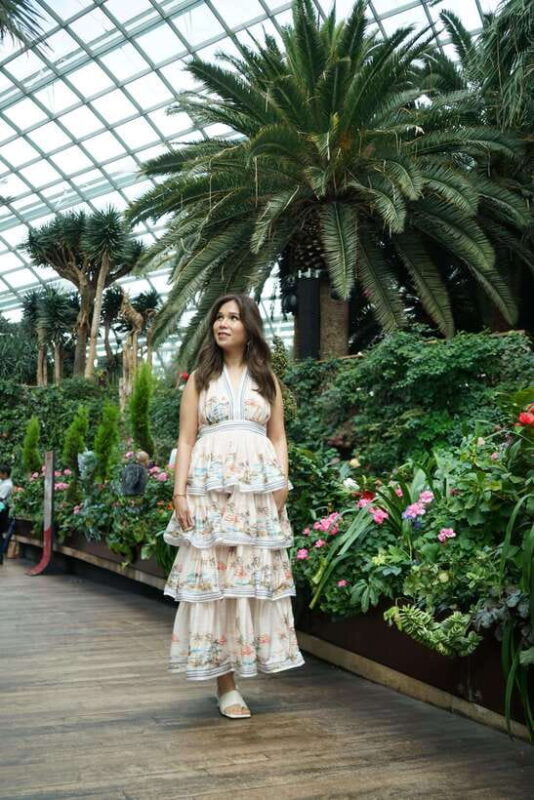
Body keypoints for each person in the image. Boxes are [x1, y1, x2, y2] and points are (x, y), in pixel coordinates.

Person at [163, 294, 304, 718]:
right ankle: (226, 686)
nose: (222, 324)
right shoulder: (200, 380)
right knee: (216, 585)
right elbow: (186, 439)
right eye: (218, 317)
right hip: (209, 493)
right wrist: (179, 492)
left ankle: (243, 666)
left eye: (233, 318)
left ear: (249, 327)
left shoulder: (267, 379)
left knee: (247, 582)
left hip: (257, 497)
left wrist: (280, 488)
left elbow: (278, 436)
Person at [0, 465, 13, 565]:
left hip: (2, 512)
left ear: (4, 473)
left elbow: (1, 498)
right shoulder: (3, 482)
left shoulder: (7, 485)